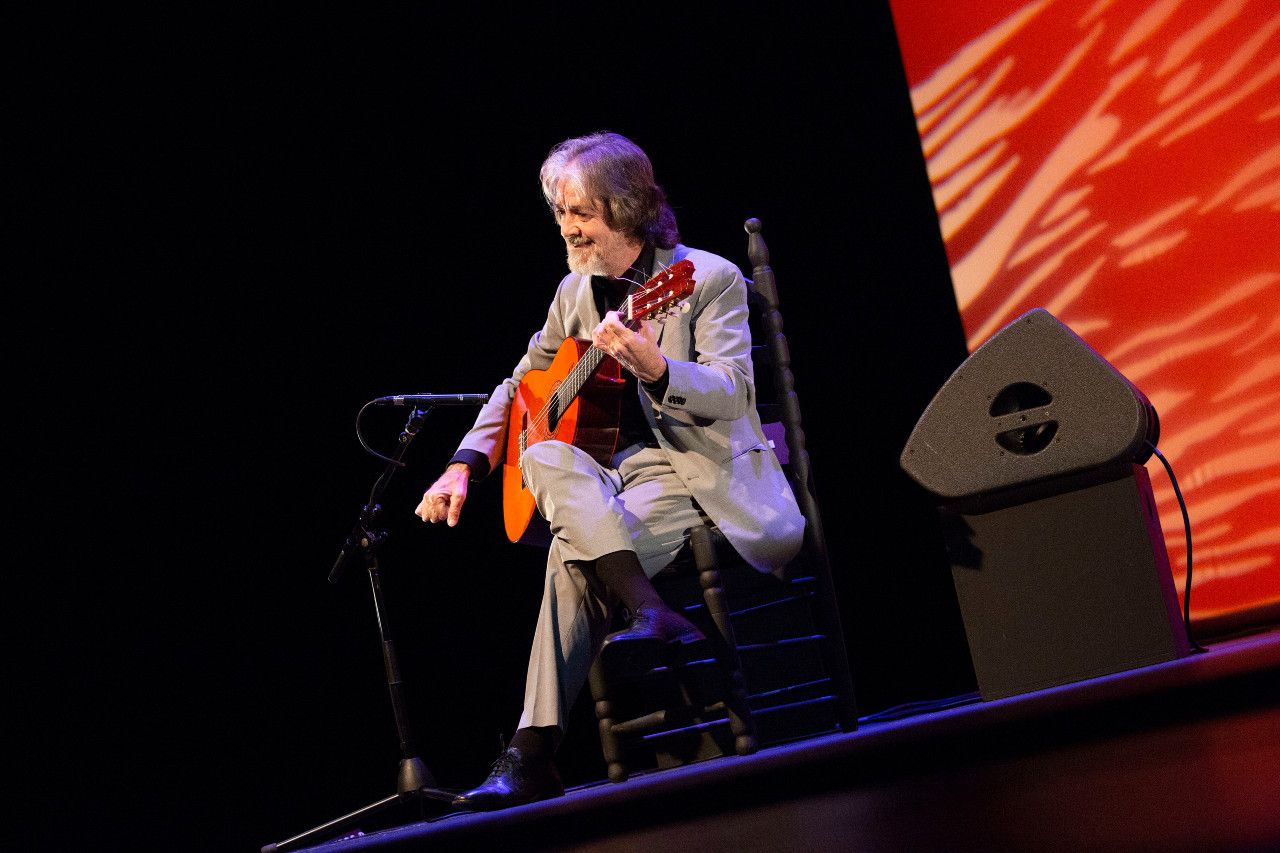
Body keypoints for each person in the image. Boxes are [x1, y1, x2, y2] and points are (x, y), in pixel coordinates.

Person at [415, 131, 805, 810]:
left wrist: (657, 367)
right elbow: (519, 385)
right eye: (561, 213)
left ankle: (530, 753)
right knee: (540, 452)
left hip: (692, 477)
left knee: (570, 554)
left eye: (581, 213)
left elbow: (734, 391)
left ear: (626, 210)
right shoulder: (574, 293)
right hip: (604, 484)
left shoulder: (703, 278)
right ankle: (648, 610)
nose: (568, 228)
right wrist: (463, 464)